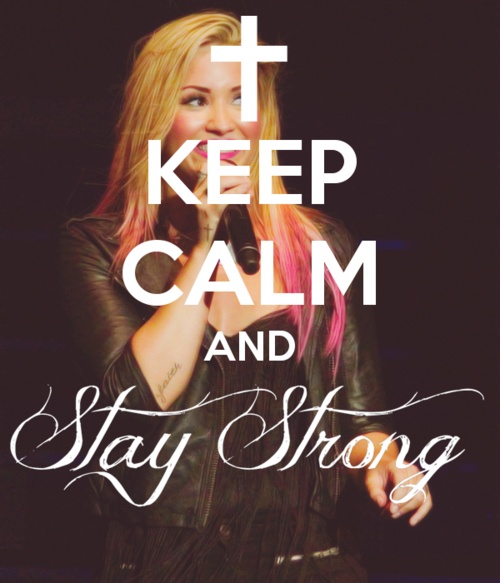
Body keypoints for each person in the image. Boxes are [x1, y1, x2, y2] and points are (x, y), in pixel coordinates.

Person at [59, 11, 432, 582]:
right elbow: (138, 401)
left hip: (305, 561)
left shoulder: (319, 246)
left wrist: (385, 461)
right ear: (155, 118)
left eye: (240, 99)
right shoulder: (99, 248)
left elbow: (358, 421)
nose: (223, 123)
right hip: (162, 563)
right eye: (195, 100)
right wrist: (204, 243)